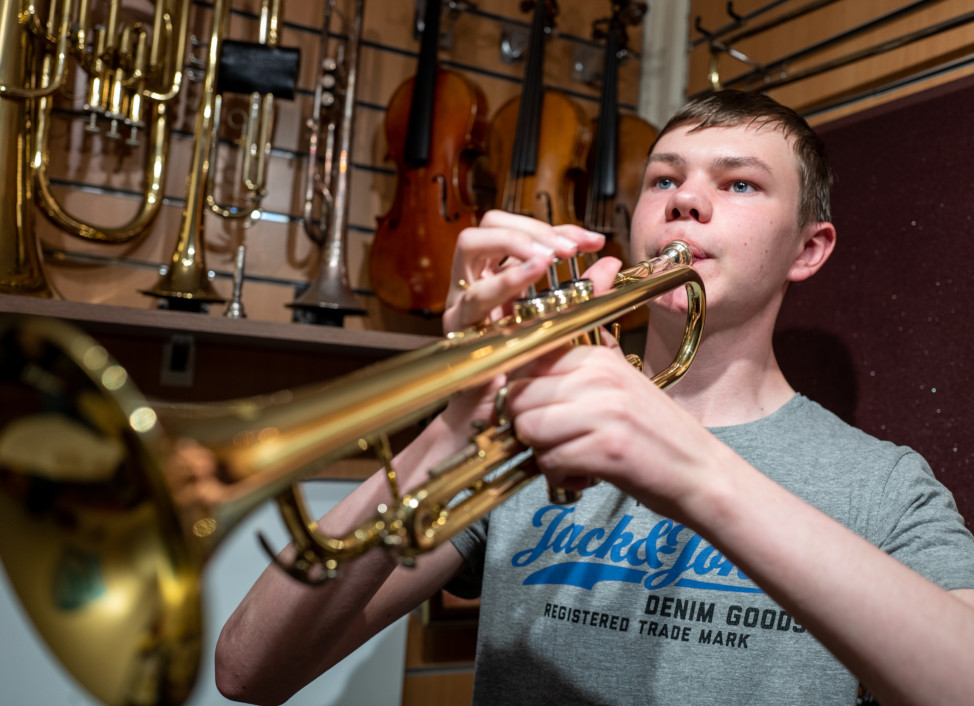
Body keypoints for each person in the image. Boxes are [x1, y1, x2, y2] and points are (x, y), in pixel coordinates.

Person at [214, 90, 974, 705]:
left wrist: (694, 468)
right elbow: (248, 672)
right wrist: (455, 424)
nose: (685, 202)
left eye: (739, 183)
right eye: (664, 181)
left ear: (808, 249)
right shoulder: (537, 434)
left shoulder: (883, 485)